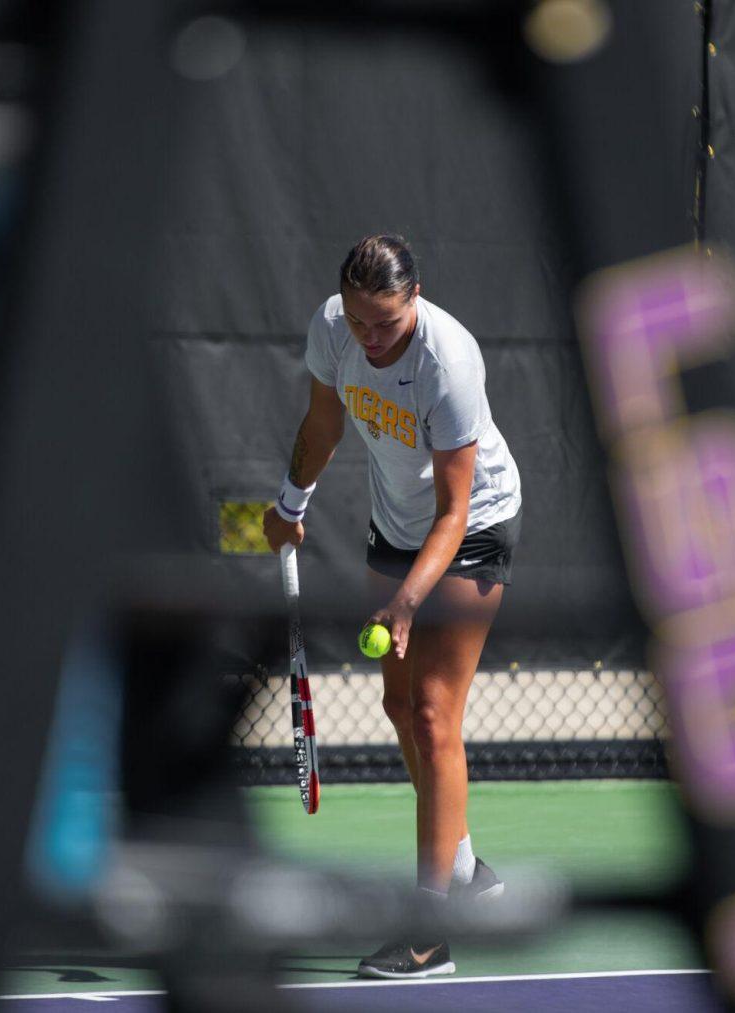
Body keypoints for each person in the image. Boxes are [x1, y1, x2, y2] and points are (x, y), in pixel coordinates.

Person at [263, 235, 522, 979]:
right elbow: (324, 423)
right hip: (396, 523)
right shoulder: (333, 329)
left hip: (472, 529)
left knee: (437, 709)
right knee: (400, 704)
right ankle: (468, 872)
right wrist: (290, 501)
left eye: (386, 322)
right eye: (359, 320)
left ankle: (428, 931)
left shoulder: (449, 362)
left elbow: (454, 508)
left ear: (415, 299)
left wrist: (408, 602)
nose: (370, 338)